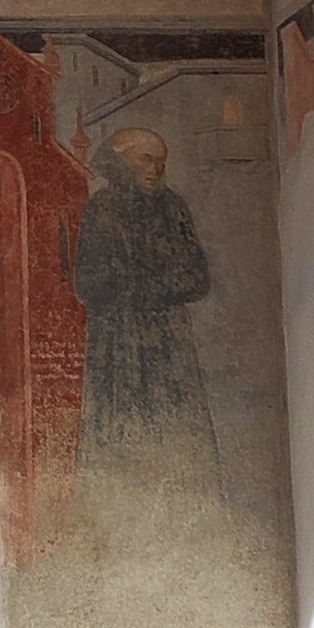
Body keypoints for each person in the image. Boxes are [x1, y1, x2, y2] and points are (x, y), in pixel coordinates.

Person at [72, 124, 218, 468]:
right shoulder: (101, 209)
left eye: (161, 163)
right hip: (116, 344)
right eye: (147, 159)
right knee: (119, 435)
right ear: (120, 161)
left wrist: (137, 285)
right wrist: (145, 283)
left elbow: (197, 278)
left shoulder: (172, 207)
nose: (155, 170)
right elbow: (89, 285)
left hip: (169, 341)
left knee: (178, 433)